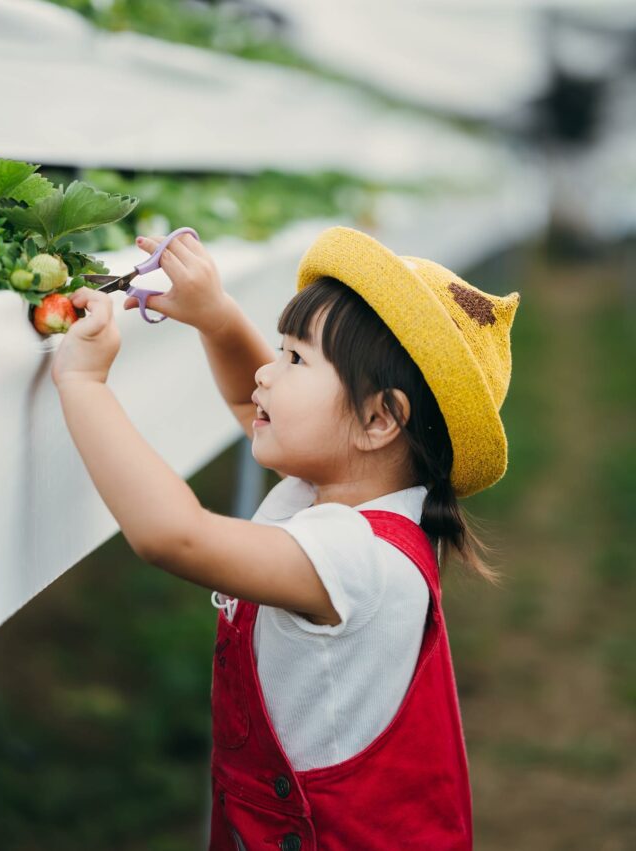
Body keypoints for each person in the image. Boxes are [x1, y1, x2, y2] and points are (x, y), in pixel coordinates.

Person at [52, 225, 521, 850]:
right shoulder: (345, 491)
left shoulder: (358, 559)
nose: (265, 375)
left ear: (380, 418)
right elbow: (253, 408)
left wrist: (83, 385)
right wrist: (218, 319)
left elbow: (174, 536)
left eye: (296, 359)